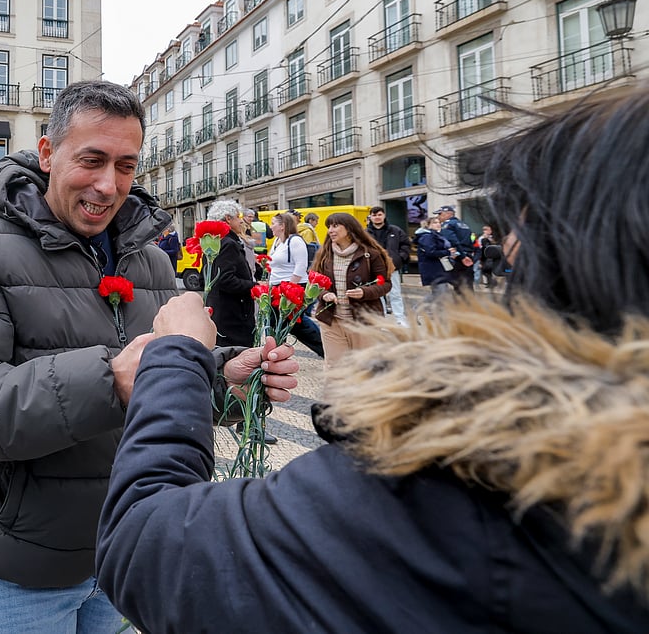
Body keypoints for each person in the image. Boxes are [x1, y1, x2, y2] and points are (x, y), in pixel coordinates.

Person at [96, 89, 649, 634]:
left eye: (518, 231)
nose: (507, 249)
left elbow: (149, 547)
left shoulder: (454, 470)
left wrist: (179, 358)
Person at [0, 80, 298, 634]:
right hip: (23, 563)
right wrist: (111, 379)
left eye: (126, 166)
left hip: (127, 546)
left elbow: (157, 382)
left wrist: (226, 383)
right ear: (47, 154)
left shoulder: (151, 262)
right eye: (91, 160)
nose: (108, 185)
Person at [310, 213, 392, 366]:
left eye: (335, 226)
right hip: (332, 320)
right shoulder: (324, 254)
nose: (330, 230)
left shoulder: (371, 254)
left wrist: (365, 292)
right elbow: (314, 282)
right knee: (335, 367)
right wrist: (324, 294)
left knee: (365, 367)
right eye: (329, 227)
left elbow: (385, 284)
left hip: (363, 321)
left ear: (349, 228)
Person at [265, 212, 325, 358]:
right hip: (277, 287)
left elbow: (300, 266)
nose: (270, 227)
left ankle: (327, 351)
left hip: (290, 287)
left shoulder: (295, 241)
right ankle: (275, 354)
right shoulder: (278, 241)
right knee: (279, 323)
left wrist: (290, 289)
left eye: (273, 223)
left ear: (283, 226)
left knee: (294, 323)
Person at [205, 201, 258, 348]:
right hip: (232, 316)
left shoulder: (214, 241)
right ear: (228, 218)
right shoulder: (228, 243)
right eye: (238, 217)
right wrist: (253, 286)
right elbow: (225, 280)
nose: (241, 221)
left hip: (221, 312)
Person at [366, 206, 412, 327]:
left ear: (384, 215)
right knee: (378, 294)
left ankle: (400, 318)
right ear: (370, 217)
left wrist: (400, 258)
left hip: (392, 268)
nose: (377, 217)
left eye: (379, 215)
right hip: (374, 269)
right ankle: (383, 318)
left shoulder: (395, 230)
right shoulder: (366, 234)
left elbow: (405, 245)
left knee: (395, 293)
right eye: (374, 215)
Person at [436, 204, 475, 293]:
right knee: (468, 284)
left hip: (458, 256)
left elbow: (452, 241)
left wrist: (462, 256)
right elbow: (471, 240)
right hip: (468, 255)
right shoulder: (464, 224)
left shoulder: (447, 224)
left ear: (448, 214)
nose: (438, 217)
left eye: (440, 214)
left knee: (458, 284)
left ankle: (461, 301)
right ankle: (470, 301)